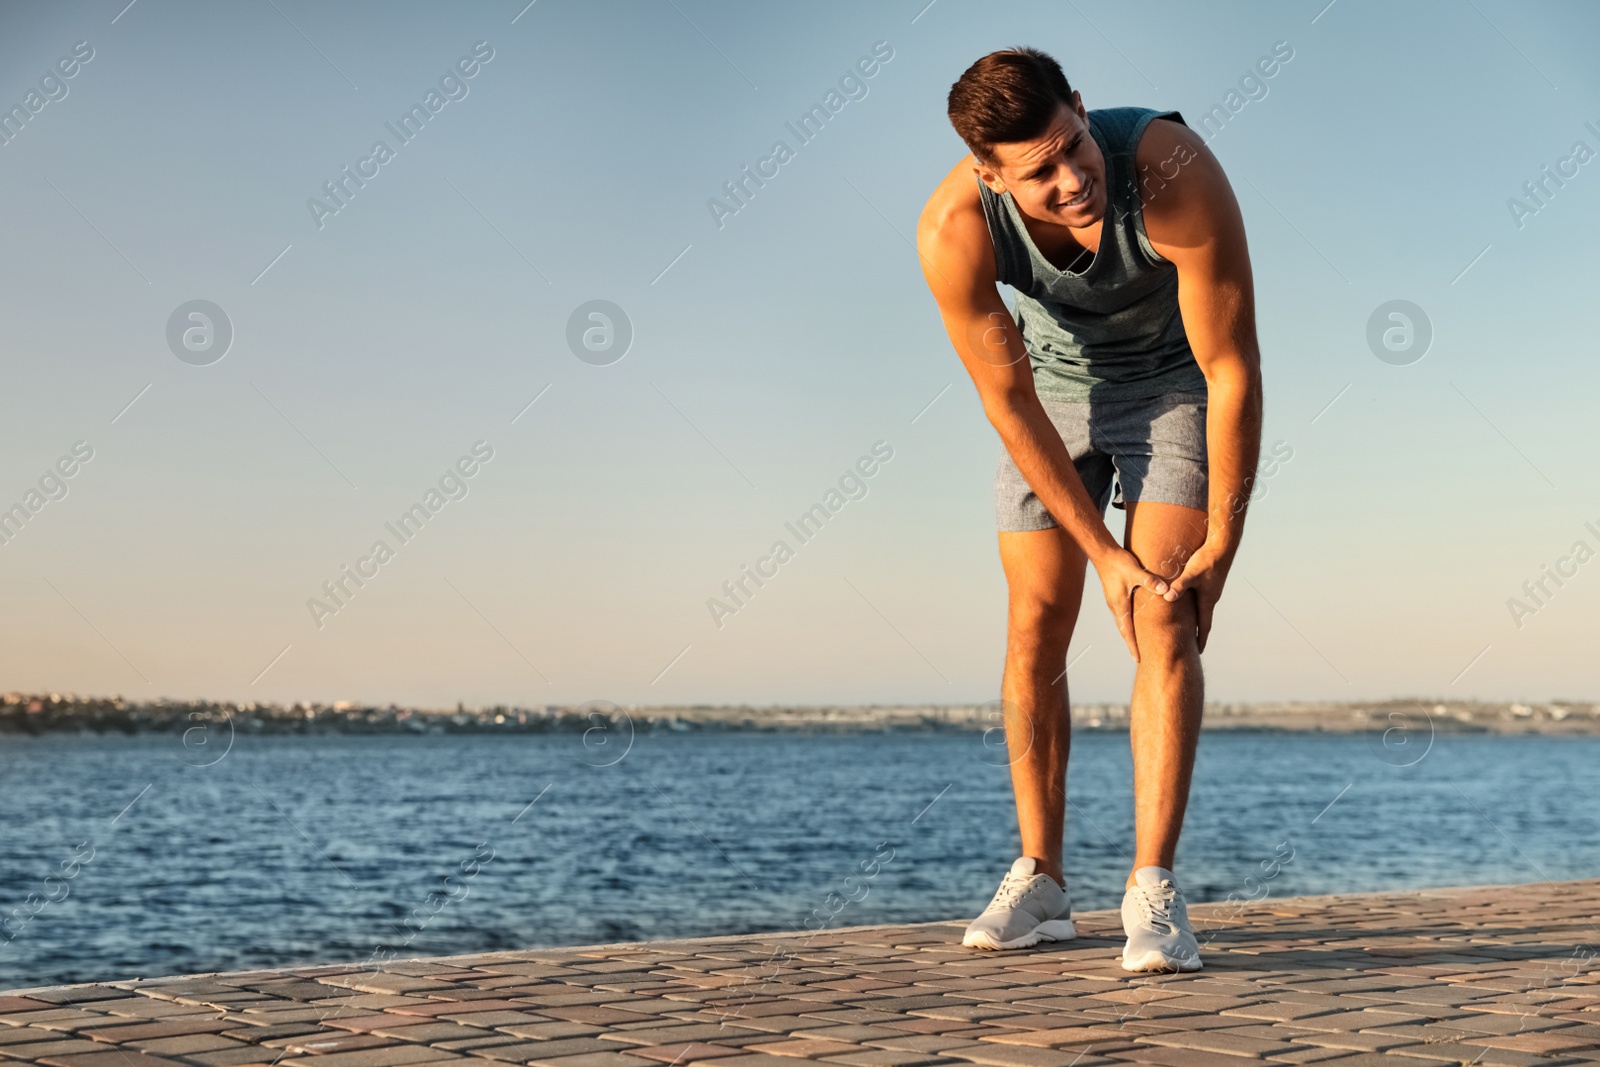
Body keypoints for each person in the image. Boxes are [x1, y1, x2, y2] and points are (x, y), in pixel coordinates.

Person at [915, 47, 1262, 972]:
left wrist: (1224, 533)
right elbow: (1009, 401)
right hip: (1053, 396)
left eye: (1075, 144)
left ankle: (1153, 888)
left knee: (1162, 612)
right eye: (1040, 171)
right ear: (991, 175)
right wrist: (1098, 547)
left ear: (1079, 104)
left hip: (1174, 382)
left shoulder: (1172, 173)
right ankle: (1043, 881)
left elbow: (1231, 367)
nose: (1073, 178)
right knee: (1035, 620)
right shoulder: (954, 229)